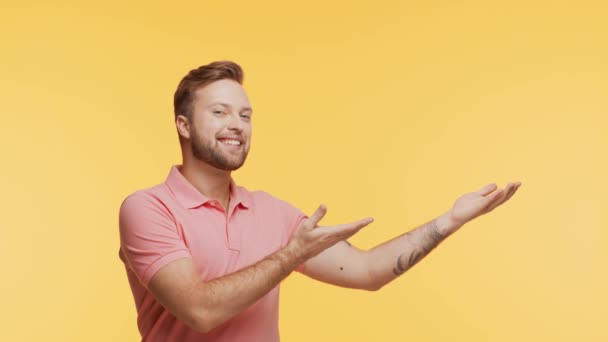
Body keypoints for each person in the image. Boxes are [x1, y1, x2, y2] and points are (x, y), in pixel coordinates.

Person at [118, 60, 521, 341]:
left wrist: (449, 221)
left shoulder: (270, 212)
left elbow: (365, 271)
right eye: (220, 112)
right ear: (183, 125)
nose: (237, 126)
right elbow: (200, 312)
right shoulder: (148, 209)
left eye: (245, 115)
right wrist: (291, 255)